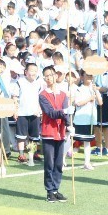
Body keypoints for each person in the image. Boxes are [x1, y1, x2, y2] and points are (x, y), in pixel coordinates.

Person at [38, 65, 69, 203]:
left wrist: (69, 124)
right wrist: (65, 112)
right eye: (46, 76)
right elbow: (50, 112)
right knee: (49, 163)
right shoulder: (43, 95)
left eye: (50, 75)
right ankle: (49, 190)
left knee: (58, 162)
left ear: (55, 76)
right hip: (48, 132)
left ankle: (56, 188)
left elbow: (66, 112)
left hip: (60, 132)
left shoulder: (63, 94)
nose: (48, 78)